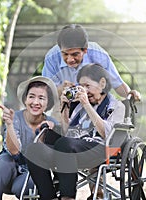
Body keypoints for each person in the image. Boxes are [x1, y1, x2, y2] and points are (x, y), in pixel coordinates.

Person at [26, 63, 126, 200]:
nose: (84, 91)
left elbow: (107, 134)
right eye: (81, 86)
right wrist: (65, 109)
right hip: (70, 148)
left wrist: (86, 105)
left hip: (101, 149)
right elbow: (67, 133)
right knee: (33, 150)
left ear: (102, 83)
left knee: (64, 144)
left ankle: (68, 197)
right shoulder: (79, 106)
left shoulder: (116, 106)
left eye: (87, 86)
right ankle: (48, 197)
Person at [0, 76, 59, 200]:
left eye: (41, 98)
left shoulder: (52, 123)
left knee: (26, 186)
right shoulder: (16, 117)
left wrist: (49, 133)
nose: (35, 102)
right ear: (25, 99)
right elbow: (14, 151)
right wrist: (9, 124)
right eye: (31, 96)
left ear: (48, 102)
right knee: (2, 161)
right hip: (7, 171)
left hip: (29, 174)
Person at [42, 23, 141, 100]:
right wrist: (61, 89)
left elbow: (117, 83)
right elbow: (45, 94)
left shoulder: (99, 55)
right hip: (64, 105)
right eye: (65, 54)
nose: (70, 59)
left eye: (75, 54)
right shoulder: (51, 58)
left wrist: (130, 95)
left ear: (85, 50)